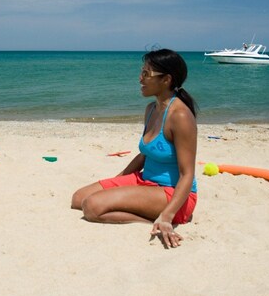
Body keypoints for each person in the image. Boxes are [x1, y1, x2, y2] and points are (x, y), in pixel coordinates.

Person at [71, 49, 198, 249]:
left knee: (92, 207)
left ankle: (153, 220)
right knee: (78, 199)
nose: (140, 78)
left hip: (173, 194)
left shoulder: (180, 116)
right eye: (141, 72)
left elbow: (187, 173)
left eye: (146, 74)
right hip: (145, 180)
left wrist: (167, 215)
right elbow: (145, 155)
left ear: (166, 80)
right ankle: (147, 211)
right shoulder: (151, 110)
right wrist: (117, 180)